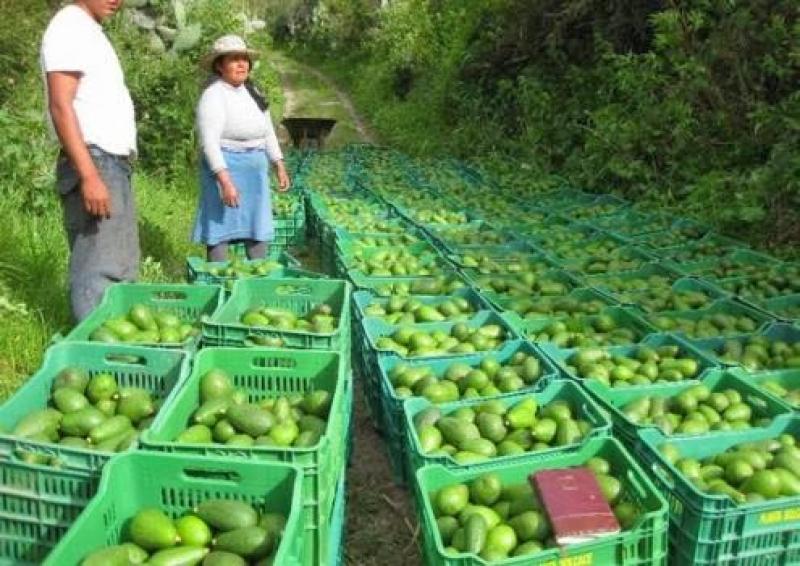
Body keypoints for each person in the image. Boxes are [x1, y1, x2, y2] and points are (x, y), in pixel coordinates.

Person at [41, 0, 139, 322]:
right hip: (95, 161)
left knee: (119, 268)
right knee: (98, 271)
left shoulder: (88, 30)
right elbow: (60, 105)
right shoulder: (69, 26)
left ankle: (116, 357)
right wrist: (89, 175)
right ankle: (95, 358)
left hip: (111, 162)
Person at [192, 34, 290, 262]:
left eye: (244, 59)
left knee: (258, 224)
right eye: (233, 59)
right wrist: (225, 181)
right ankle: (219, 279)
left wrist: (278, 164)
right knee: (220, 226)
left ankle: (257, 279)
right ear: (219, 65)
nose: (241, 64)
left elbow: (267, 131)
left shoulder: (253, 92)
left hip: (254, 170)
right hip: (225, 168)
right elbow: (209, 142)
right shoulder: (213, 95)